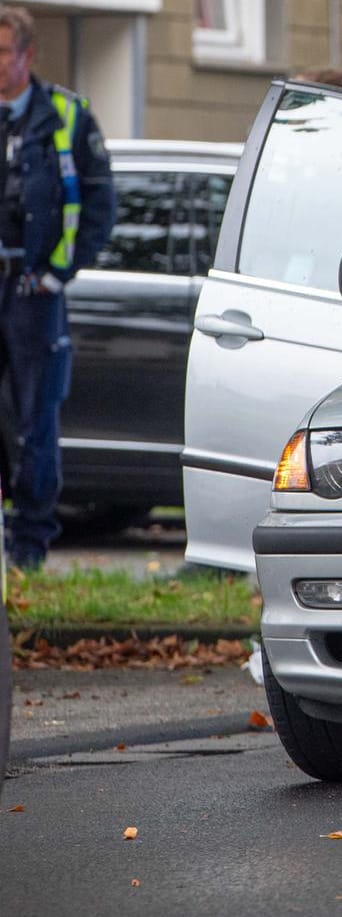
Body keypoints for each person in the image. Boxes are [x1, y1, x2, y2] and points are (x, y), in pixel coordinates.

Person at [0, 6, 113, 569]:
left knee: (35, 421)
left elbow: (98, 207)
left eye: (2, 53)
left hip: (32, 292)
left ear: (27, 55)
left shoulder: (66, 116)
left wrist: (55, 274)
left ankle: (28, 548)